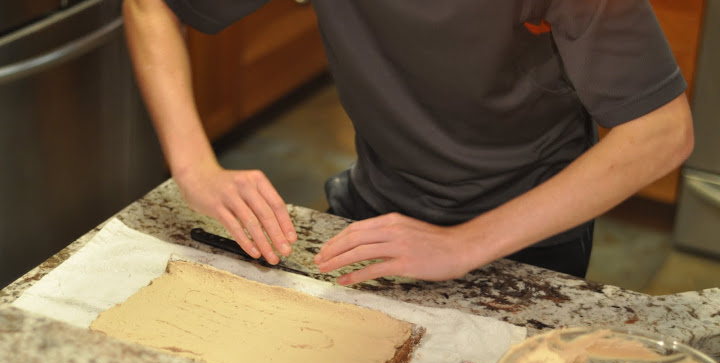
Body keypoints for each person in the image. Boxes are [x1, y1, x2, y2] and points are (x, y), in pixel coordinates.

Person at [123, 0, 693, 286]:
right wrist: (194, 167)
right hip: (374, 207)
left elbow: (662, 130)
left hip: (526, 234)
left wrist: (463, 244)